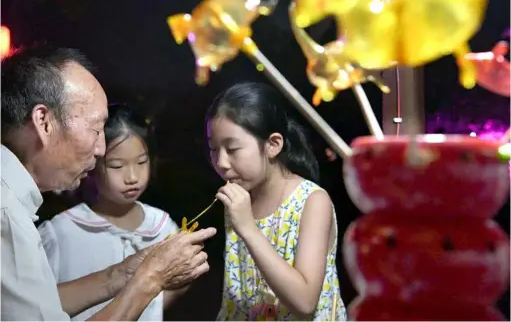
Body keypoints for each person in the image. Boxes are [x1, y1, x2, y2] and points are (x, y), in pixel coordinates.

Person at [1, 46, 217, 321]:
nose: (102, 148)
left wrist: (121, 274)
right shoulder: (6, 216)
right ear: (44, 122)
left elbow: (37, 307)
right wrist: (151, 278)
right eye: (95, 128)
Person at [206, 82, 347, 321]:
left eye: (232, 149)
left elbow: (305, 301)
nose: (221, 162)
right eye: (213, 149)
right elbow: (238, 295)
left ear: (273, 145)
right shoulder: (240, 198)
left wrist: (249, 228)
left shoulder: (312, 202)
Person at [38, 104, 186, 321]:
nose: (132, 176)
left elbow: (179, 282)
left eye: (141, 162)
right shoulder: (61, 233)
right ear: (92, 165)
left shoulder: (162, 225)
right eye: (117, 166)